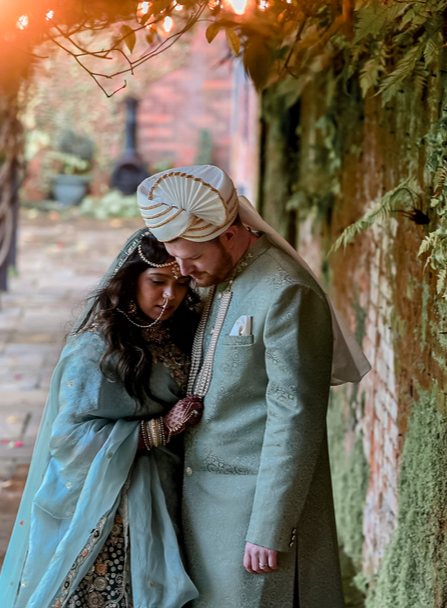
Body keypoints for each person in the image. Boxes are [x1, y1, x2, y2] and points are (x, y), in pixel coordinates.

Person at [138, 165, 371, 607]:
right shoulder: (217, 277)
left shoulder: (286, 292)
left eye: (194, 258)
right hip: (199, 503)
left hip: (251, 518)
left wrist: (270, 525)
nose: (184, 272)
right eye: (177, 257)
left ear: (229, 233)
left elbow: (295, 415)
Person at [0, 229, 203, 608]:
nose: (170, 295)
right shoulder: (97, 348)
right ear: (131, 279)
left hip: (171, 489)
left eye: (182, 284)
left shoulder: (180, 332)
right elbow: (69, 437)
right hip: (110, 506)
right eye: (157, 281)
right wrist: (160, 429)